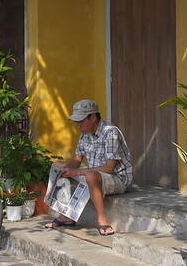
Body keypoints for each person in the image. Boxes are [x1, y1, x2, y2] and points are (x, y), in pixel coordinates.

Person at [46, 99, 133, 236]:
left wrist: (77, 171)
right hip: (94, 175)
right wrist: (63, 167)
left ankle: (101, 219)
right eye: (77, 122)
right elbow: (77, 160)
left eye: (81, 122)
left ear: (92, 117)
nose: (78, 126)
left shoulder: (111, 133)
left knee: (90, 176)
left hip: (117, 179)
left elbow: (110, 168)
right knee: (60, 167)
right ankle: (67, 215)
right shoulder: (85, 134)